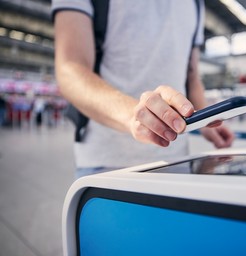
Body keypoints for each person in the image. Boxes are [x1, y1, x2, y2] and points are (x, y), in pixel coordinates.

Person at [52, 0, 235, 177]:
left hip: (177, 161)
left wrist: (204, 119)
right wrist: (135, 116)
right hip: (107, 165)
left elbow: (192, 74)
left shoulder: (196, 3)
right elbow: (70, 69)